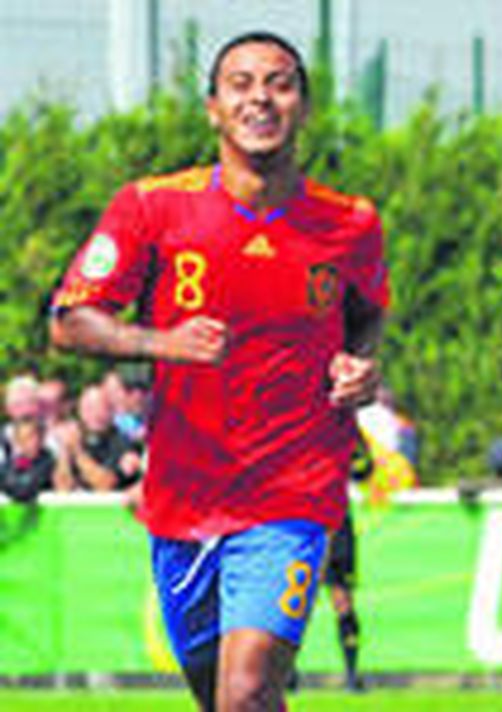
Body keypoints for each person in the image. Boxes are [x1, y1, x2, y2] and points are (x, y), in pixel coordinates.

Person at [48, 31, 387, 712]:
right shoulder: (152, 207)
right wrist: (160, 342)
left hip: (293, 494)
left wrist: (362, 369)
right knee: (224, 701)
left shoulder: (349, 223)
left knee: (247, 691)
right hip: (185, 498)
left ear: (303, 107)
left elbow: (367, 314)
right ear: (213, 108)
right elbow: (69, 320)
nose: (261, 98)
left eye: (280, 84)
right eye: (241, 84)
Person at [57, 384, 143, 491]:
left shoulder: (123, 444)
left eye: (94, 406)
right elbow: (62, 487)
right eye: (85, 406)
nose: (88, 412)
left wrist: (79, 453)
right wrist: (64, 455)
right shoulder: (76, 438)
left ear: (110, 410)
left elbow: (106, 484)